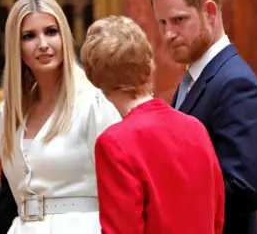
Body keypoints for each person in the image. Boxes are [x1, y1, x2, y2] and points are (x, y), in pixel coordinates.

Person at [143, 0, 257, 234]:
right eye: (162, 22)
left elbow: (244, 189)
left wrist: (163, 197)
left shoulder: (236, 84)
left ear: (210, 12)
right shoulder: (196, 77)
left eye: (179, 20)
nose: (168, 34)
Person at [80, 15, 225, 234]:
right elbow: (217, 214)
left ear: (95, 79)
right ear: (149, 65)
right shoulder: (195, 127)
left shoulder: (114, 143)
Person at [0, 0, 121, 234]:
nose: (43, 44)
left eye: (51, 32)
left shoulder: (93, 103)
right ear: (16, 47)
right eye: (29, 36)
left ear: (64, 36)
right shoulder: (7, 114)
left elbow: (121, 188)